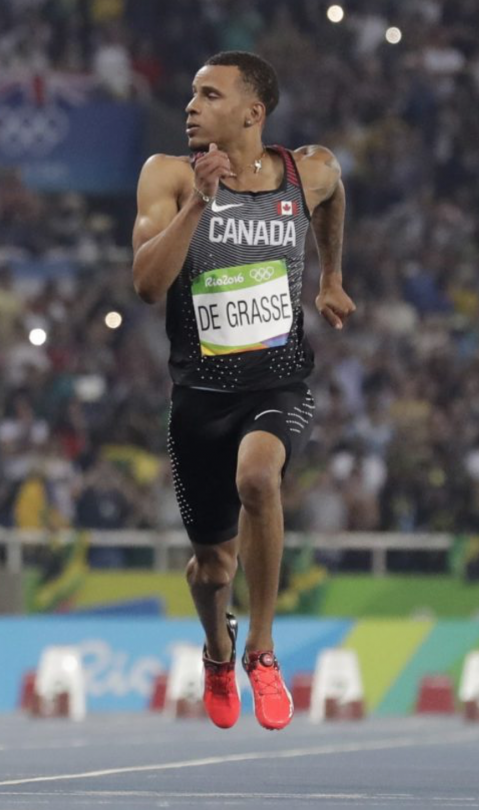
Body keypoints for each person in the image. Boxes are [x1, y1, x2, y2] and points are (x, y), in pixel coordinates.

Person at [132, 51, 355, 731]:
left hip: (276, 379)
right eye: (192, 94)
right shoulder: (167, 175)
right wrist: (202, 200)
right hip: (198, 395)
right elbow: (146, 284)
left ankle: (261, 648)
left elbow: (335, 191)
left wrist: (330, 277)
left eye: (210, 94)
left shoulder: (304, 171)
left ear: (252, 113)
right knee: (210, 568)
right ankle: (218, 649)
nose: (192, 106)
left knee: (260, 478)